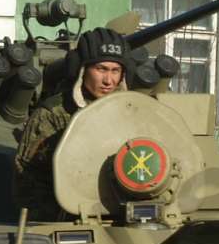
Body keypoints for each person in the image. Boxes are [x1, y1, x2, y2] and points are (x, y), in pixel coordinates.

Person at [11, 26, 130, 216]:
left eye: (115, 71)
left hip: (122, 213)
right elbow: (27, 176)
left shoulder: (130, 111)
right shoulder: (53, 113)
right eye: (101, 69)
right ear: (83, 70)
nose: (108, 80)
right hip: (68, 217)